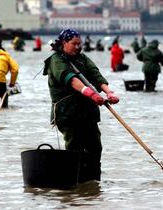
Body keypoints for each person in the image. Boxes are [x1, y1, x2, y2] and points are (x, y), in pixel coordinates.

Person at [43, 28, 119, 183]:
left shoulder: (83, 58)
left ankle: (92, 184)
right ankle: (74, 184)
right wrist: (90, 93)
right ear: (64, 43)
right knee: (75, 148)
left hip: (87, 113)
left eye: (80, 44)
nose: (78, 47)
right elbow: (70, 79)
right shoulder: (56, 60)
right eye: (74, 44)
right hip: (68, 113)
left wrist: (108, 92)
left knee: (95, 147)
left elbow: (96, 76)